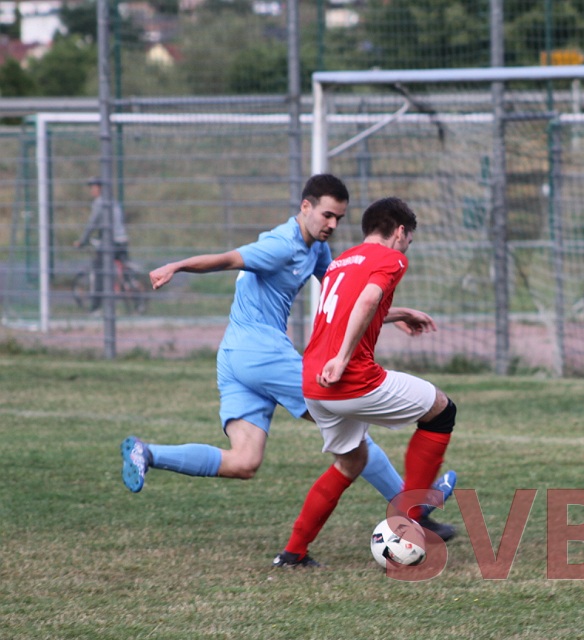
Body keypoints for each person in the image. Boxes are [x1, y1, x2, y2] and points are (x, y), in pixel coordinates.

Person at [117, 175, 456, 547]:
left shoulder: (317, 249)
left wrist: (396, 313)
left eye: (339, 218)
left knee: (244, 461)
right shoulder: (281, 244)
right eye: (327, 215)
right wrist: (177, 266)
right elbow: (229, 259)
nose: (332, 225)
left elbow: (345, 298)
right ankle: (416, 512)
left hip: (235, 355)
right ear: (305, 207)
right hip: (262, 352)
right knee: (350, 430)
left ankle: (148, 453)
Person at [272, 196, 458, 568]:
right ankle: (414, 514)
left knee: (351, 461)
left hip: (313, 383)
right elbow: (369, 299)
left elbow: (349, 309)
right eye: (409, 239)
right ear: (400, 232)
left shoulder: (342, 261)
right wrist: (343, 359)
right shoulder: (392, 258)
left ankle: (293, 553)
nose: (407, 247)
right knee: (441, 410)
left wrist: (398, 313)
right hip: (349, 378)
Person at [73, 177, 129, 313]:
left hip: (111, 242)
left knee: (98, 271)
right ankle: (132, 292)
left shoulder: (100, 203)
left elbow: (92, 224)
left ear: (102, 188)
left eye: (95, 187)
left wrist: (82, 241)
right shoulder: (113, 201)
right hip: (122, 240)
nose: (92, 190)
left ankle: (96, 308)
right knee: (123, 270)